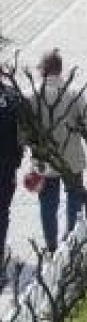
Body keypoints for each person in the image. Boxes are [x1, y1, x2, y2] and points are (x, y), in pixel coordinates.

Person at [25, 50, 87, 253]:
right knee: (74, 198)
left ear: (43, 70)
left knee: (48, 204)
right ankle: (72, 242)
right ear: (60, 70)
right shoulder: (72, 93)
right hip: (71, 158)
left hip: (45, 160)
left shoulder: (30, 95)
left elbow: (23, 129)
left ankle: (52, 246)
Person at [0, 74, 26, 257]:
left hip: (7, 166)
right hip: (6, 168)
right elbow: (22, 134)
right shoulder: (13, 97)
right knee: (1, 214)